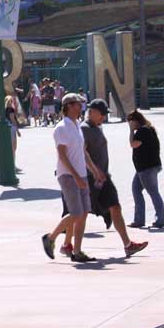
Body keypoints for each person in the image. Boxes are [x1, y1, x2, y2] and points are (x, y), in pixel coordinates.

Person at [41, 93, 105, 262]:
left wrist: (94, 171)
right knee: (76, 213)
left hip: (81, 175)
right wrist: (76, 176)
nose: (81, 107)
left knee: (84, 213)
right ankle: (51, 238)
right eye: (78, 104)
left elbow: (83, 153)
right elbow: (62, 155)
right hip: (68, 176)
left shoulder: (76, 126)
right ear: (69, 106)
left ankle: (77, 251)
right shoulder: (62, 128)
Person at [82, 99, 149, 256]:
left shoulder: (97, 128)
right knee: (80, 213)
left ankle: (128, 244)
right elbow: (83, 153)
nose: (104, 117)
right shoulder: (84, 129)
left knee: (115, 207)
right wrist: (95, 171)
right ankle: (60, 241)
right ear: (92, 112)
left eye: (105, 113)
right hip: (91, 178)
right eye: (102, 113)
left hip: (104, 178)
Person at [126, 110, 164, 229]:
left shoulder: (143, 131)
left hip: (146, 167)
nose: (129, 124)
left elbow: (133, 144)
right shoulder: (148, 129)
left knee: (153, 192)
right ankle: (139, 219)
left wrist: (130, 131)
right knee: (136, 189)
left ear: (135, 121)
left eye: (130, 122)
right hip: (144, 167)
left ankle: (160, 219)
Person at [4, 95, 23, 174]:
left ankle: (12, 165)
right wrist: (17, 130)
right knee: (13, 148)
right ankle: (13, 166)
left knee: (11, 148)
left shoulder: (4, 110)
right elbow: (13, 120)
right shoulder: (11, 109)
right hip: (12, 128)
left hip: (8, 128)